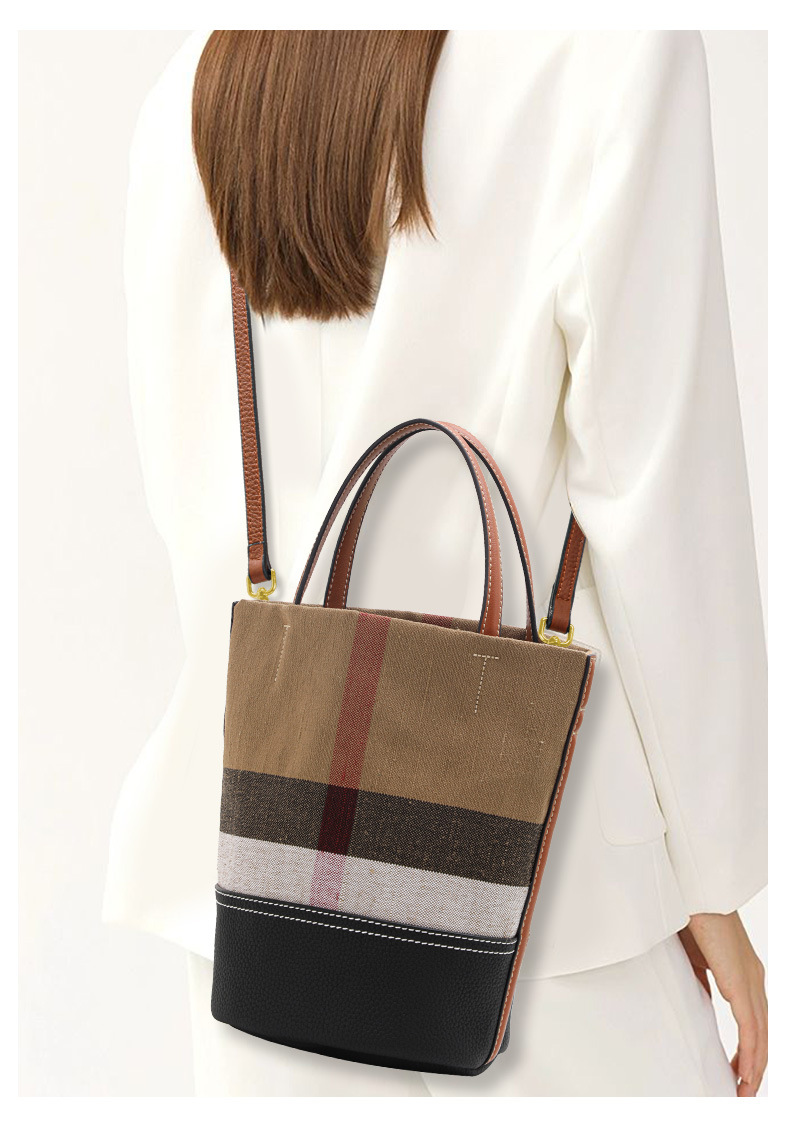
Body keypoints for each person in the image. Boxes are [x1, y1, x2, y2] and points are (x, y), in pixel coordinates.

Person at [105, 29, 768, 1096]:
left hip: (258, 902)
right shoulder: (609, 52)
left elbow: (187, 488)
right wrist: (709, 873)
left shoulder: (189, 91)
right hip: (550, 908)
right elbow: (662, 502)